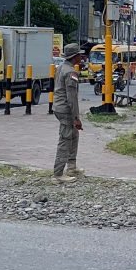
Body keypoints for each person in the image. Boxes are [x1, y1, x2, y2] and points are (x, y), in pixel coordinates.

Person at [51, 43, 85, 183]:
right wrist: (76, 118)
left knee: (73, 136)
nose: (82, 57)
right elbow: (72, 98)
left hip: (58, 106)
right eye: (79, 55)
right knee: (65, 139)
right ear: (75, 57)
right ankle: (58, 173)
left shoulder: (61, 68)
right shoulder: (70, 72)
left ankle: (72, 166)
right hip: (66, 109)